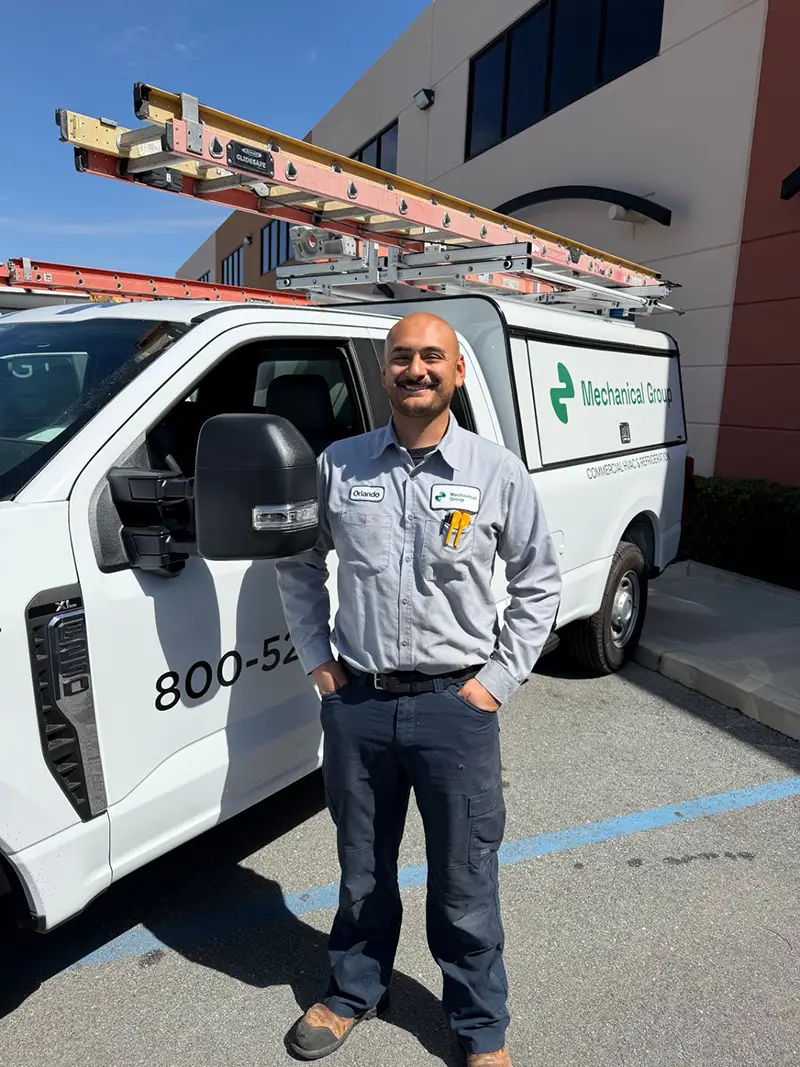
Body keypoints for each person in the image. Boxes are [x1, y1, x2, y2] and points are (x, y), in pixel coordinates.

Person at [275, 311, 562, 1066]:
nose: (416, 369)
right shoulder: (339, 467)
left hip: (455, 707)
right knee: (362, 866)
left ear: (457, 372)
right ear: (384, 372)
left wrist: (495, 683)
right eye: (402, 357)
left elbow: (539, 581)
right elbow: (297, 564)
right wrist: (320, 664)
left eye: (433, 356)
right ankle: (352, 991)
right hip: (359, 704)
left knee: (465, 879)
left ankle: (479, 1027)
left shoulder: (496, 473)